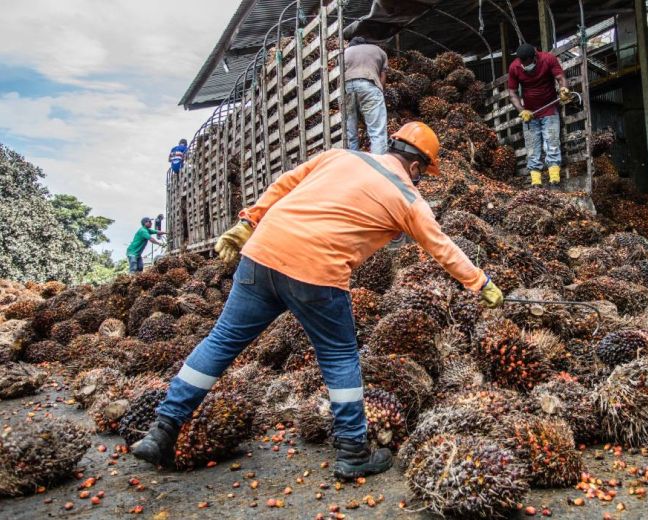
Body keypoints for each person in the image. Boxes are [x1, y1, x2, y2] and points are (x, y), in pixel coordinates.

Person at [131, 122, 504, 479]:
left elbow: (284, 183)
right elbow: (442, 247)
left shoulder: (341, 157)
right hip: (316, 274)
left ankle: (161, 431)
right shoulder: (409, 199)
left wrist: (248, 221)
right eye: (423, 173)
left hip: (261, 255)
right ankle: (353, 453)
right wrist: (481, 283)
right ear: (418, 166)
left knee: (221, 341)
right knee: (340, 357)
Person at [507, 43, 573, 188]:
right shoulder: (515, 67)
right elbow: (512, 93)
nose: (526, 66)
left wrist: (564, 90)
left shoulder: (547, 59)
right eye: (523, 64)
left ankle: (554, 177)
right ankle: (536, 180)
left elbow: (560, 77)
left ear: (535, 57)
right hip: (530, 114)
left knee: (552, 142)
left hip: (549, 109)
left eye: (528, 63)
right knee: (532, 146)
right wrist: (521, 110)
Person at [343, 36, 389, 154]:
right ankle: (378, 166)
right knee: (377, 132)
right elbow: (382, 76)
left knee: (350, 132)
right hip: (369, 84)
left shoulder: (345, 52)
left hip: (347, 88)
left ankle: (353, 163)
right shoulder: (379, 51)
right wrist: (380, 92)